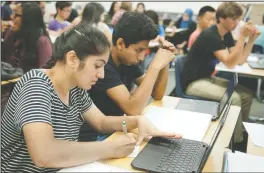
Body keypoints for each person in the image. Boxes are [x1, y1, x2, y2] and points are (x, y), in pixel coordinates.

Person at [1, 23, 180, 172]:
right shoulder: (36, 84)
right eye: (97, 65)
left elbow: (101, 122)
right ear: (72, 59)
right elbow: (44, 154)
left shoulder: (75, 88)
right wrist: (109, 149)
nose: (101, 75)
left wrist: (136, 121)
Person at [80, 12, 176, 141]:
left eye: (144, 50)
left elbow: (157, 94)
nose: (142, 57)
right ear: (120, 44)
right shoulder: (104, 65)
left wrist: (164, 62)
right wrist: (154, 67)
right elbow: (133, 110)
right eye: (139, 50)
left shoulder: (127, 61)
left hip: (115, 128)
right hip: (96, 136)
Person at [181, 2, 259, 149]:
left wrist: (251, 41)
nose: (236, 22)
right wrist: (242, 37)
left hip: (206, 78)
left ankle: (240, 132)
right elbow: (230, 63)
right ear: (222, 18)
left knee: (246, 95)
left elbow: (240, 60)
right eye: (233, 19)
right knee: (234, 98)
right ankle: (236, 143)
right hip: (193, 83)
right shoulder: (211, 35)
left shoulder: (225, 34)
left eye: (238, 19)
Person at [2, 2, 52, 73]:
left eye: (16, 15)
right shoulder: (13, 33)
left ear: (28, 19)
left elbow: (46, 74)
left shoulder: (42, 42)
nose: (12, 17)